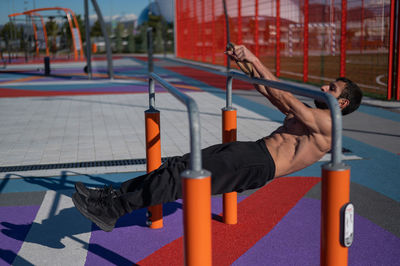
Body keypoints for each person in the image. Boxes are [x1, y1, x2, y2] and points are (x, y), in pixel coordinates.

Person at [72, 44, 363, 232]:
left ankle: (113, 210)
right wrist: (246, 62)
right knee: (179, 164)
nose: (324, 86)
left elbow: (285, 97)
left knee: (184, 176)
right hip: (254, 152)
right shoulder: (314, 113)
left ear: (343, 104)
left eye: (332, 89)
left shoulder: (328, 123)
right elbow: (269, 90)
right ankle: (112, 194)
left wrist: (256, 61)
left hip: (259, 164)